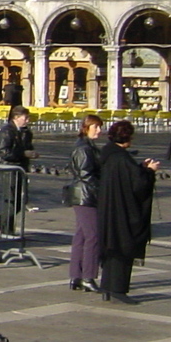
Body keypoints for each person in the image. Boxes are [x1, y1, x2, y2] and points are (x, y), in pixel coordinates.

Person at [96, 119, 159, 305]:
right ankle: (118, 289)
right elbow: (138, 184)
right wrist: (150, 171)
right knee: (123, 248)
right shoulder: (121, 157)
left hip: (109, 209)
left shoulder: (110, 154)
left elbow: (129, 177)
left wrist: (141, 168)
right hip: (122, 212)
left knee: (111, 248)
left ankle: (107, 287)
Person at [66, 115, 104, 293]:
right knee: (93, 235)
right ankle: (88, 276)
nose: (99, 130)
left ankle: (76, 275)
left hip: (85, 194)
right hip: (85, 195)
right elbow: (85, 174)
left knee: (81, 235)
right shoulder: (84, 149)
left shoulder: (88, 146)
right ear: (86, 128)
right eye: (95, 127)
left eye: (99, 127)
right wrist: (102, 187)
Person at [0, 105, 34, 236]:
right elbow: (4, 152)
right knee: (10, 200)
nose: (27, 120)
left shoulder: (24, 132)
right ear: (16, 117)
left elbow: (27, 147)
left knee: (20, 200)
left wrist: (30, 153)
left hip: (20, 168)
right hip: (9, 168)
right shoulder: (7, 131)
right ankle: (7, 229)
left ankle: (2, 219)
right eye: (25, 118)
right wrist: (23, 153)